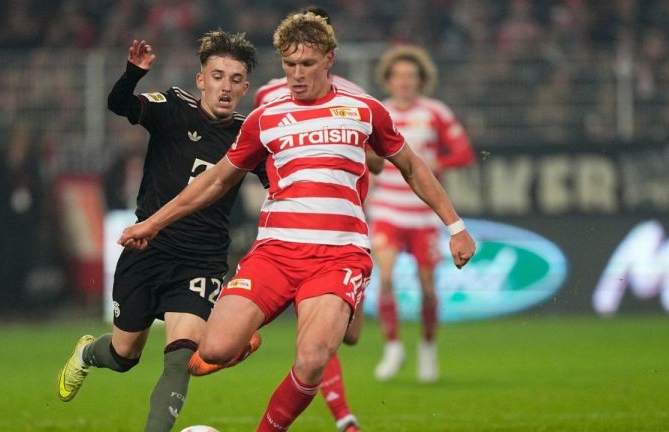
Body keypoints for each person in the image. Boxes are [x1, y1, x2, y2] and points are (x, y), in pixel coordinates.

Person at [119, 12, 475, 431]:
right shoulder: (265, 118)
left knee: (311, 359)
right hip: (274, 253)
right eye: (289, 64)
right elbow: (215, 181)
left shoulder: (363, 110)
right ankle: (247, 339)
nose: (297, 74)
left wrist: (455, 226)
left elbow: (410, 166)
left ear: (329, 59)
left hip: (338, 256)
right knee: (213, 349)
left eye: (307, 64)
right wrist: (153, 223)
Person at [55, 31, 266, 432]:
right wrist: (132, 74)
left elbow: (278, 183)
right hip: (147, 249)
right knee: (124, 356)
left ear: (245, 87)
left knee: (180, 356)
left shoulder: (249, 135)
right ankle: (87, 354)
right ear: (201, 79)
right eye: (217, 75)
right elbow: (119, 104)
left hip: (200, 260)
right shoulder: (172, 106)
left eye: (235, 79)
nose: (226, 86)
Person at [252, 7, 373, 432]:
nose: (301, 67)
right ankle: (344, 418)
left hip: (345, 224)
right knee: (317, 336)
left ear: (328, 50)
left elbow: (374, 157)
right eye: (293, 59)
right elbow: (252, 146)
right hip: (291, 227)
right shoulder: (269, 95)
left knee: (350, 335)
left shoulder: (355, 98)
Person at [368, 45, 476, 383]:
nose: (405, 82)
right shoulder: (378, 112)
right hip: (388, 209)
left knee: (428, 289)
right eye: (399, 76)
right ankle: (393, 347)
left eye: (411, 76)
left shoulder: (435, 112)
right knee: (384, 279)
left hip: (424, 215)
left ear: (421, 80)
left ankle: (427, 349)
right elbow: (368, 158)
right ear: (388, 79)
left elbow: (464, 152)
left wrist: (434, 167)